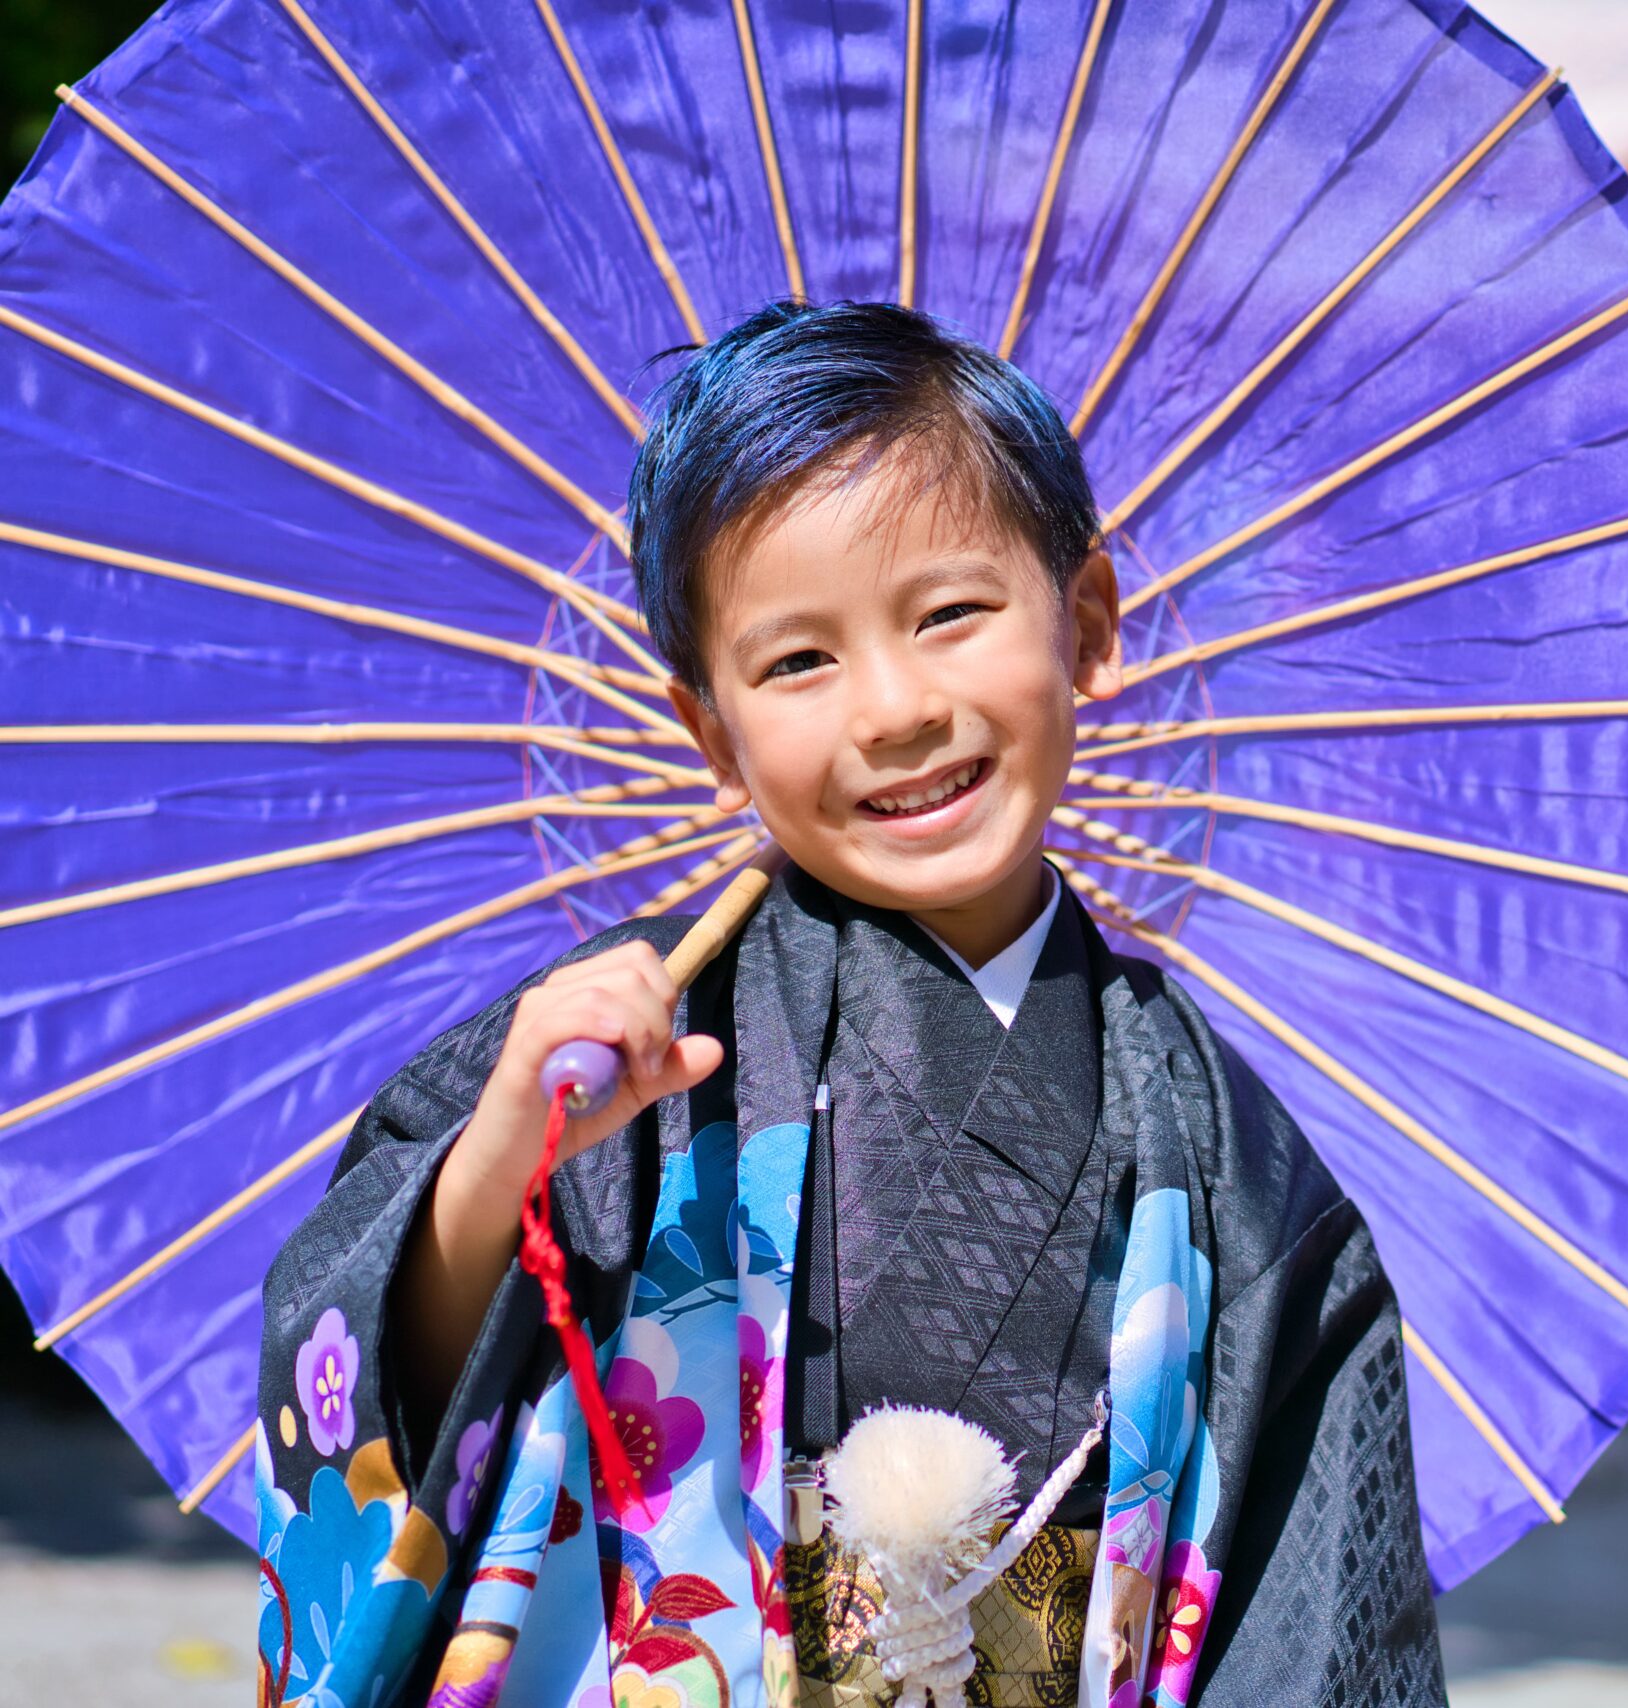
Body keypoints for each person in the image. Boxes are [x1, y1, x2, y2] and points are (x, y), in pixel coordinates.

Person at [252, 301, 1445, 1708]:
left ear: (1092, 624)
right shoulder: (624, 1048)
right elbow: (382, 1390)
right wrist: (502, 1161)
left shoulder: (1219, 1146)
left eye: (951, 614)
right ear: (716, 731)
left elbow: (1310, 1627)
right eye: (799, 660)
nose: (893, 708)